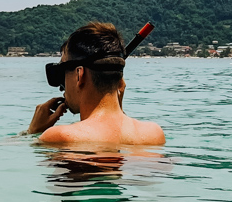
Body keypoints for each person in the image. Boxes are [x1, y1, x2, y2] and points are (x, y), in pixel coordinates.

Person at [27, 21, 165, 146]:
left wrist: (32, 132)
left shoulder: (60, 137)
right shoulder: (154, 134)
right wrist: (119, 110)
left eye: (62, 73)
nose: (61, 88)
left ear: (79, 75)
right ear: (120, 83)